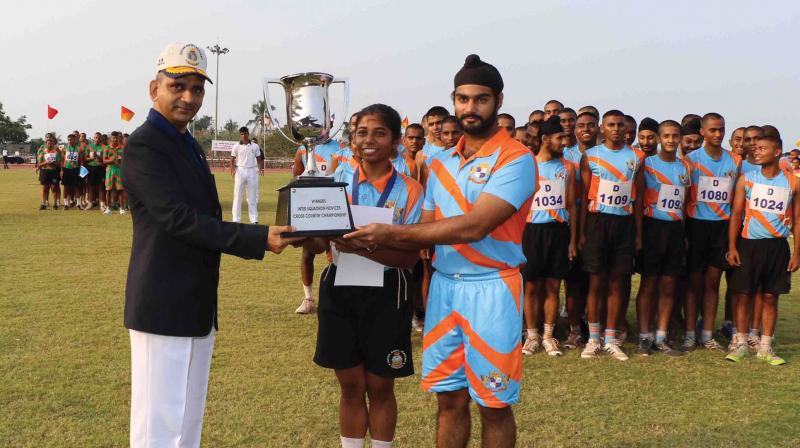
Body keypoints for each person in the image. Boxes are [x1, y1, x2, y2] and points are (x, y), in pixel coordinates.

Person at [345, 54, 537, 448]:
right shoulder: (442, 162)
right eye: (463, 99)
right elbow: (426, 230)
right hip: (445, 289)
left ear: (498, 101)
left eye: (480, 99)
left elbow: (475, 225)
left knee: (494, 404)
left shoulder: (516, 158)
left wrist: (387, 232)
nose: (470, 108)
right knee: (449, 398)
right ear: (454, 100)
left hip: (493, 288)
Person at [122, 42, 298, 448]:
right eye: (178, 86)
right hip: (162, 304)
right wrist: (258, 237)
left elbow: (203, 218)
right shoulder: (146, 144)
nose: (189, 97)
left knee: (187, 419)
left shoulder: (185, 143)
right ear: (154, 89)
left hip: (196, 301)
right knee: (158, 426)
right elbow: (176, 219)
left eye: (197, 89)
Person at [306, 104, 423, 448]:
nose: (369, 140)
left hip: (389, 290)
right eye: (362, 133)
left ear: (396, 141)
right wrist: (305, 224)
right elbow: (315, 245)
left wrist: (359, 246)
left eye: (379, 133)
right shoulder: (335, 183)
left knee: (381, 386)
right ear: (353, 140)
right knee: (351, 386)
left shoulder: (410, 190)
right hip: (340, 286)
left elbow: (407, 258)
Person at [725, 135, 799, 365]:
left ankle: (765, 346)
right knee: (743, 295)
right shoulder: (746, 179)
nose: (756, 152)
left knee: (770, 296)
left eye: (762, 149)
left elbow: (797, 220)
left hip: (777, 246)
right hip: (749, 245)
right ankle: (741, 342)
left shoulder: (793, 182)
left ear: (777, 152)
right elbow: (736, 215)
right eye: (755, 149)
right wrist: (732, 246)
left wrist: (797, 253)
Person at [579, 110, 644, 361]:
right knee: (596, 282)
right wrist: (583, 233)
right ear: (601, 129)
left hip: (624, 224)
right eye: (611, 125)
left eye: (620, 125)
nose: (616, 129)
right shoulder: (590, 156)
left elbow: (638, 200)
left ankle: (611, 338)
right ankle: (593, 339)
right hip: (597, 223)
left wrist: (638, 233)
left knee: (618, 282)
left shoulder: (637, 157)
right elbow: (584, 198)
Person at [682, 112, 740, 351]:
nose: (718, 134)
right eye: (713, 130)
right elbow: (684, 198)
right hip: (695, 226)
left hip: (721, 228)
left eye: (721, 130)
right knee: (693, 282)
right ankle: (688, 333)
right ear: (703, 132)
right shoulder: (690, 160)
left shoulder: (735, 161)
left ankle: (706, 334)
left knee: (713, 283)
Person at [521, 117, 576, 357]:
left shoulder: (567, 168)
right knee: (532, 286)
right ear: (545, 139)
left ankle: (548, 335)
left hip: (558, 231)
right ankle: (531, 335)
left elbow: (572, 206)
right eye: (559, 138)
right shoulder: (527, 166)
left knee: (553, 285)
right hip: (532, 231)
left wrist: (573, 240)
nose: (564, 142)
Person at [634, 120, 690, 356]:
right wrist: (638, 234)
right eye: (665, 136)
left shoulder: (685, 167)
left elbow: (684, 204)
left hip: (674, 230)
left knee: (668, 285)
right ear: (658, 138)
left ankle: (661, 336)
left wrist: (684, 233)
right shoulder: (646, 165)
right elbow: (637, 202)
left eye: (674, 136)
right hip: (652, 228)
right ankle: (644, 336)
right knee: (649, 284)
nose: (670, 140)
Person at [561, 110, 599, 349]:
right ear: (575, 129)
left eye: (591, 125)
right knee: (574, 279)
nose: (586, 129)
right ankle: (575, 328)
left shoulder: (604, 155)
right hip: (570, 220)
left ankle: (596, 325)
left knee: (596, 277)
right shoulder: (566, 156)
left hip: (598, 220)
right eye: (581, 125)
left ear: (598, 128)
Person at [230, 126, 263, 224]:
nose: (243, 136)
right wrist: (232, 169)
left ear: (248, 134)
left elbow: (259, 159)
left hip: (252, 170)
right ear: (240, 135)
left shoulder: (255, 146)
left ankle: (254, 220)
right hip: (240, 170)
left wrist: (260, 168)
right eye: (241, 134)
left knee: (252, 197)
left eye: (245, 134)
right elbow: (231, 159)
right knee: (237, 196)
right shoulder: (236, 146)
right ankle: (236, 219)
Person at [37, 135, 62, 210]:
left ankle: (55, 204)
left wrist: (53, 163)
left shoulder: (56, 153)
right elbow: (39, 164)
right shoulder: (43, 153)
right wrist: (46, 162)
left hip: (54, 172)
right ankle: (44, 203)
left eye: (51, 143)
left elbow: (59, 163)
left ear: (53, 144)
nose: (50, 145)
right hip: (45, 171)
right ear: (46, 144)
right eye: (48, 143)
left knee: (54, 188)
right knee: (45, 188)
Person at [103, 131, 125, 215]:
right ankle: (108, 208)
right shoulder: (107, 148)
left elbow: (126, 160)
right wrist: (112, 160)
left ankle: (122, 208)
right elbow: (104, 160)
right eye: (113, 138)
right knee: (108, 190)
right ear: (111, 139)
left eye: (116, 138)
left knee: (120, 190)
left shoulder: (122, 148)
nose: (115, 139)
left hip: (119, 170)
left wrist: (121, 159)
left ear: (118, 138)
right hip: (110, 170)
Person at [83, 132, 105, 210]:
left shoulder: (104, 147)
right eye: (96, 137)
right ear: (93, 138)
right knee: (90, 186)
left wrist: (97, 156)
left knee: (101, 186)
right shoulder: (89, 147)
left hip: (100, 168)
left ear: (101, 138)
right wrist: (92, 158)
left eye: (99, 138)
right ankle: (90, 203)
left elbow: (104, 160)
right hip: (91, 168)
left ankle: (102, 204)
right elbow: (85, 159)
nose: (97, 139)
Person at [61, 133, 83, 210]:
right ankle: (66, 204)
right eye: (69, 140)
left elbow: (81, 161)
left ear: (75, 140)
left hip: (76, 170)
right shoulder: (65, 148)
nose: (70, 141)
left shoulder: (79, 149)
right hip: (66, 169)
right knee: (66, 187)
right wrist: (61, 170)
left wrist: (80, 169)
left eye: (72, 139)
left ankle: (79, 204)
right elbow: (62, 160)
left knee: (77, 187)